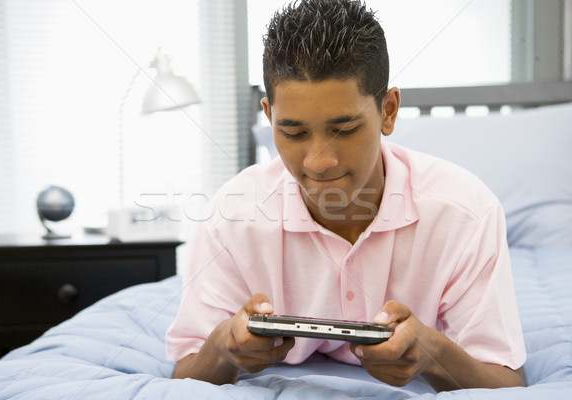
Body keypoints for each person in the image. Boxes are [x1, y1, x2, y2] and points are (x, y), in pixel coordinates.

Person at [166, 0, 526, 391]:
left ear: (388, 111)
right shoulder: (231, 215)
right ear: (269, 117)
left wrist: (433, 353)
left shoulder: (466, 212)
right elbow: (185, 376)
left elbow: (506, 383)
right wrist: (223, 349)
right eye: (294, 133)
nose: (319, 161)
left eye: (346, 128)